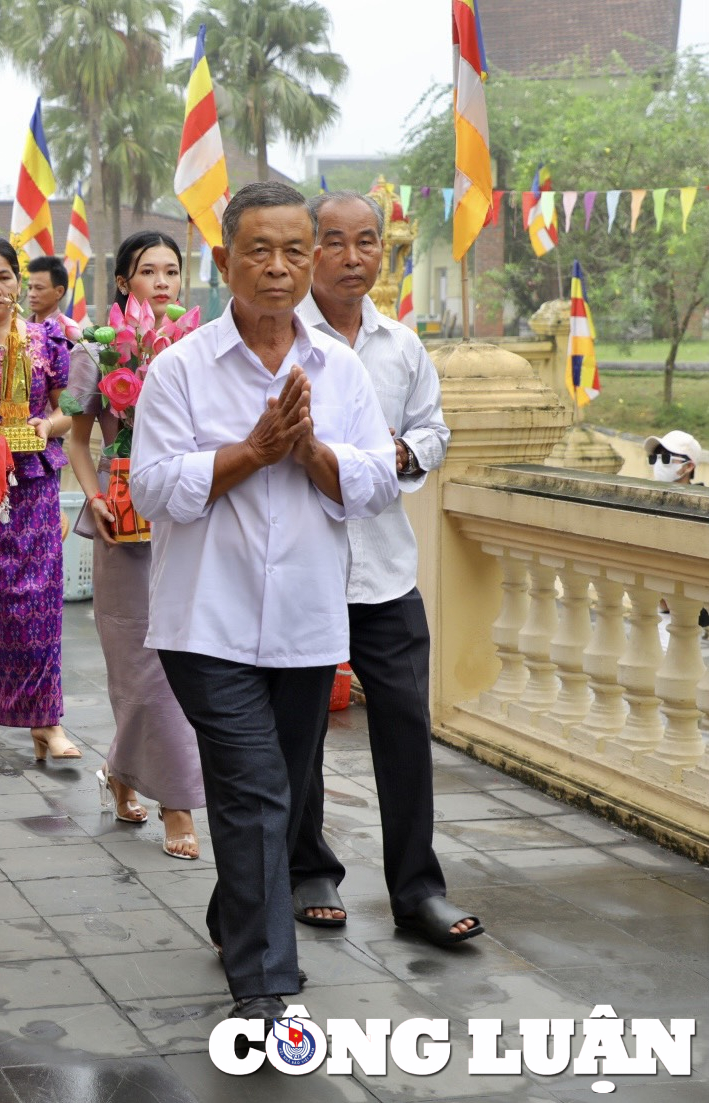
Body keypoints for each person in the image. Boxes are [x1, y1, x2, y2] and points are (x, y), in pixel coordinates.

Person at [128, 182, 398, 1035]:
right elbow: (153, 488)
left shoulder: (339, 369)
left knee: (275, 789)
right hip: (205, 619)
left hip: (305, 622)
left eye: (294, 250)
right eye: (259, 251)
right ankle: (265, 982)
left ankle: (230, 916)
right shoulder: (179, 368)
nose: (278, 268)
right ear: (223, 261)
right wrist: (250, 452)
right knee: (250, 791)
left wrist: (308, 449)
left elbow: (376, 480)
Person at [291, 191, 480, 947]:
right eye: (331, 241)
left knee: (403, 725)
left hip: (386, 569)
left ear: (382, 253)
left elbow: (434, 427)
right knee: (297, 730)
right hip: (303, 567)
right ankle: (308, 868)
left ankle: (417, 890)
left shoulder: (401, 345)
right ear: (307, 251)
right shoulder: (278, 340)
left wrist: (403, 452)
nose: (350, 256)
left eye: (365, 241)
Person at [62, 231, 204, 858]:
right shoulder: (93, 348)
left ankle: (126, 775)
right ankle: (176, 805)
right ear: (124, 282)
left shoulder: (200, 349)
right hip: (121, 523)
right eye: (149, 271)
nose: (163, 282)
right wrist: (93, 495)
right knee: (140, 670)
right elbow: (75, 437)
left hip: (188, 524)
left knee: (181, 668)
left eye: (173, 271)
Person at [0, 236, 77, 760]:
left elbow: (69, 411)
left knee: (37, 601)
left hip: (33, 481)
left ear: (19, 283)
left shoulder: (44, 339)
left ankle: (46, 722)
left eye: (4, 277)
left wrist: (46, 426)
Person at [26, 254, 70, 328]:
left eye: (39, 288)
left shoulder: (67, 331)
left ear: (59, 292)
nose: (31, 294)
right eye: (30, 288)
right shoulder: (20, 328)